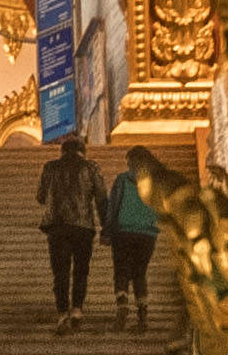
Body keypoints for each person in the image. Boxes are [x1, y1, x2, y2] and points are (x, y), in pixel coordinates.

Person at [35, 129, 102, 328]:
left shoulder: (50, 167)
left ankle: (62, 312)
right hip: (83, 226)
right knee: (81, 270)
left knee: (60, 271)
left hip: (57, 227)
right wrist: (106, 225)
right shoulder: (91, 167)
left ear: (62, 151)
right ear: (83, 151)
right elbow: (101, 197)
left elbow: (40, 197)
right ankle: (77, 310)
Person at [104, 150, 164, 324]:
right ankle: (142, 311)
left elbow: (113, 206)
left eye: (128, 161)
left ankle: (122, 302)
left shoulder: (122, 180)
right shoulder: (155, 181)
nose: (127, 165)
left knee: (121, 269)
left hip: (123, 231)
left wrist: (107, 229)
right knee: (140, 273)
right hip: (147, 233)